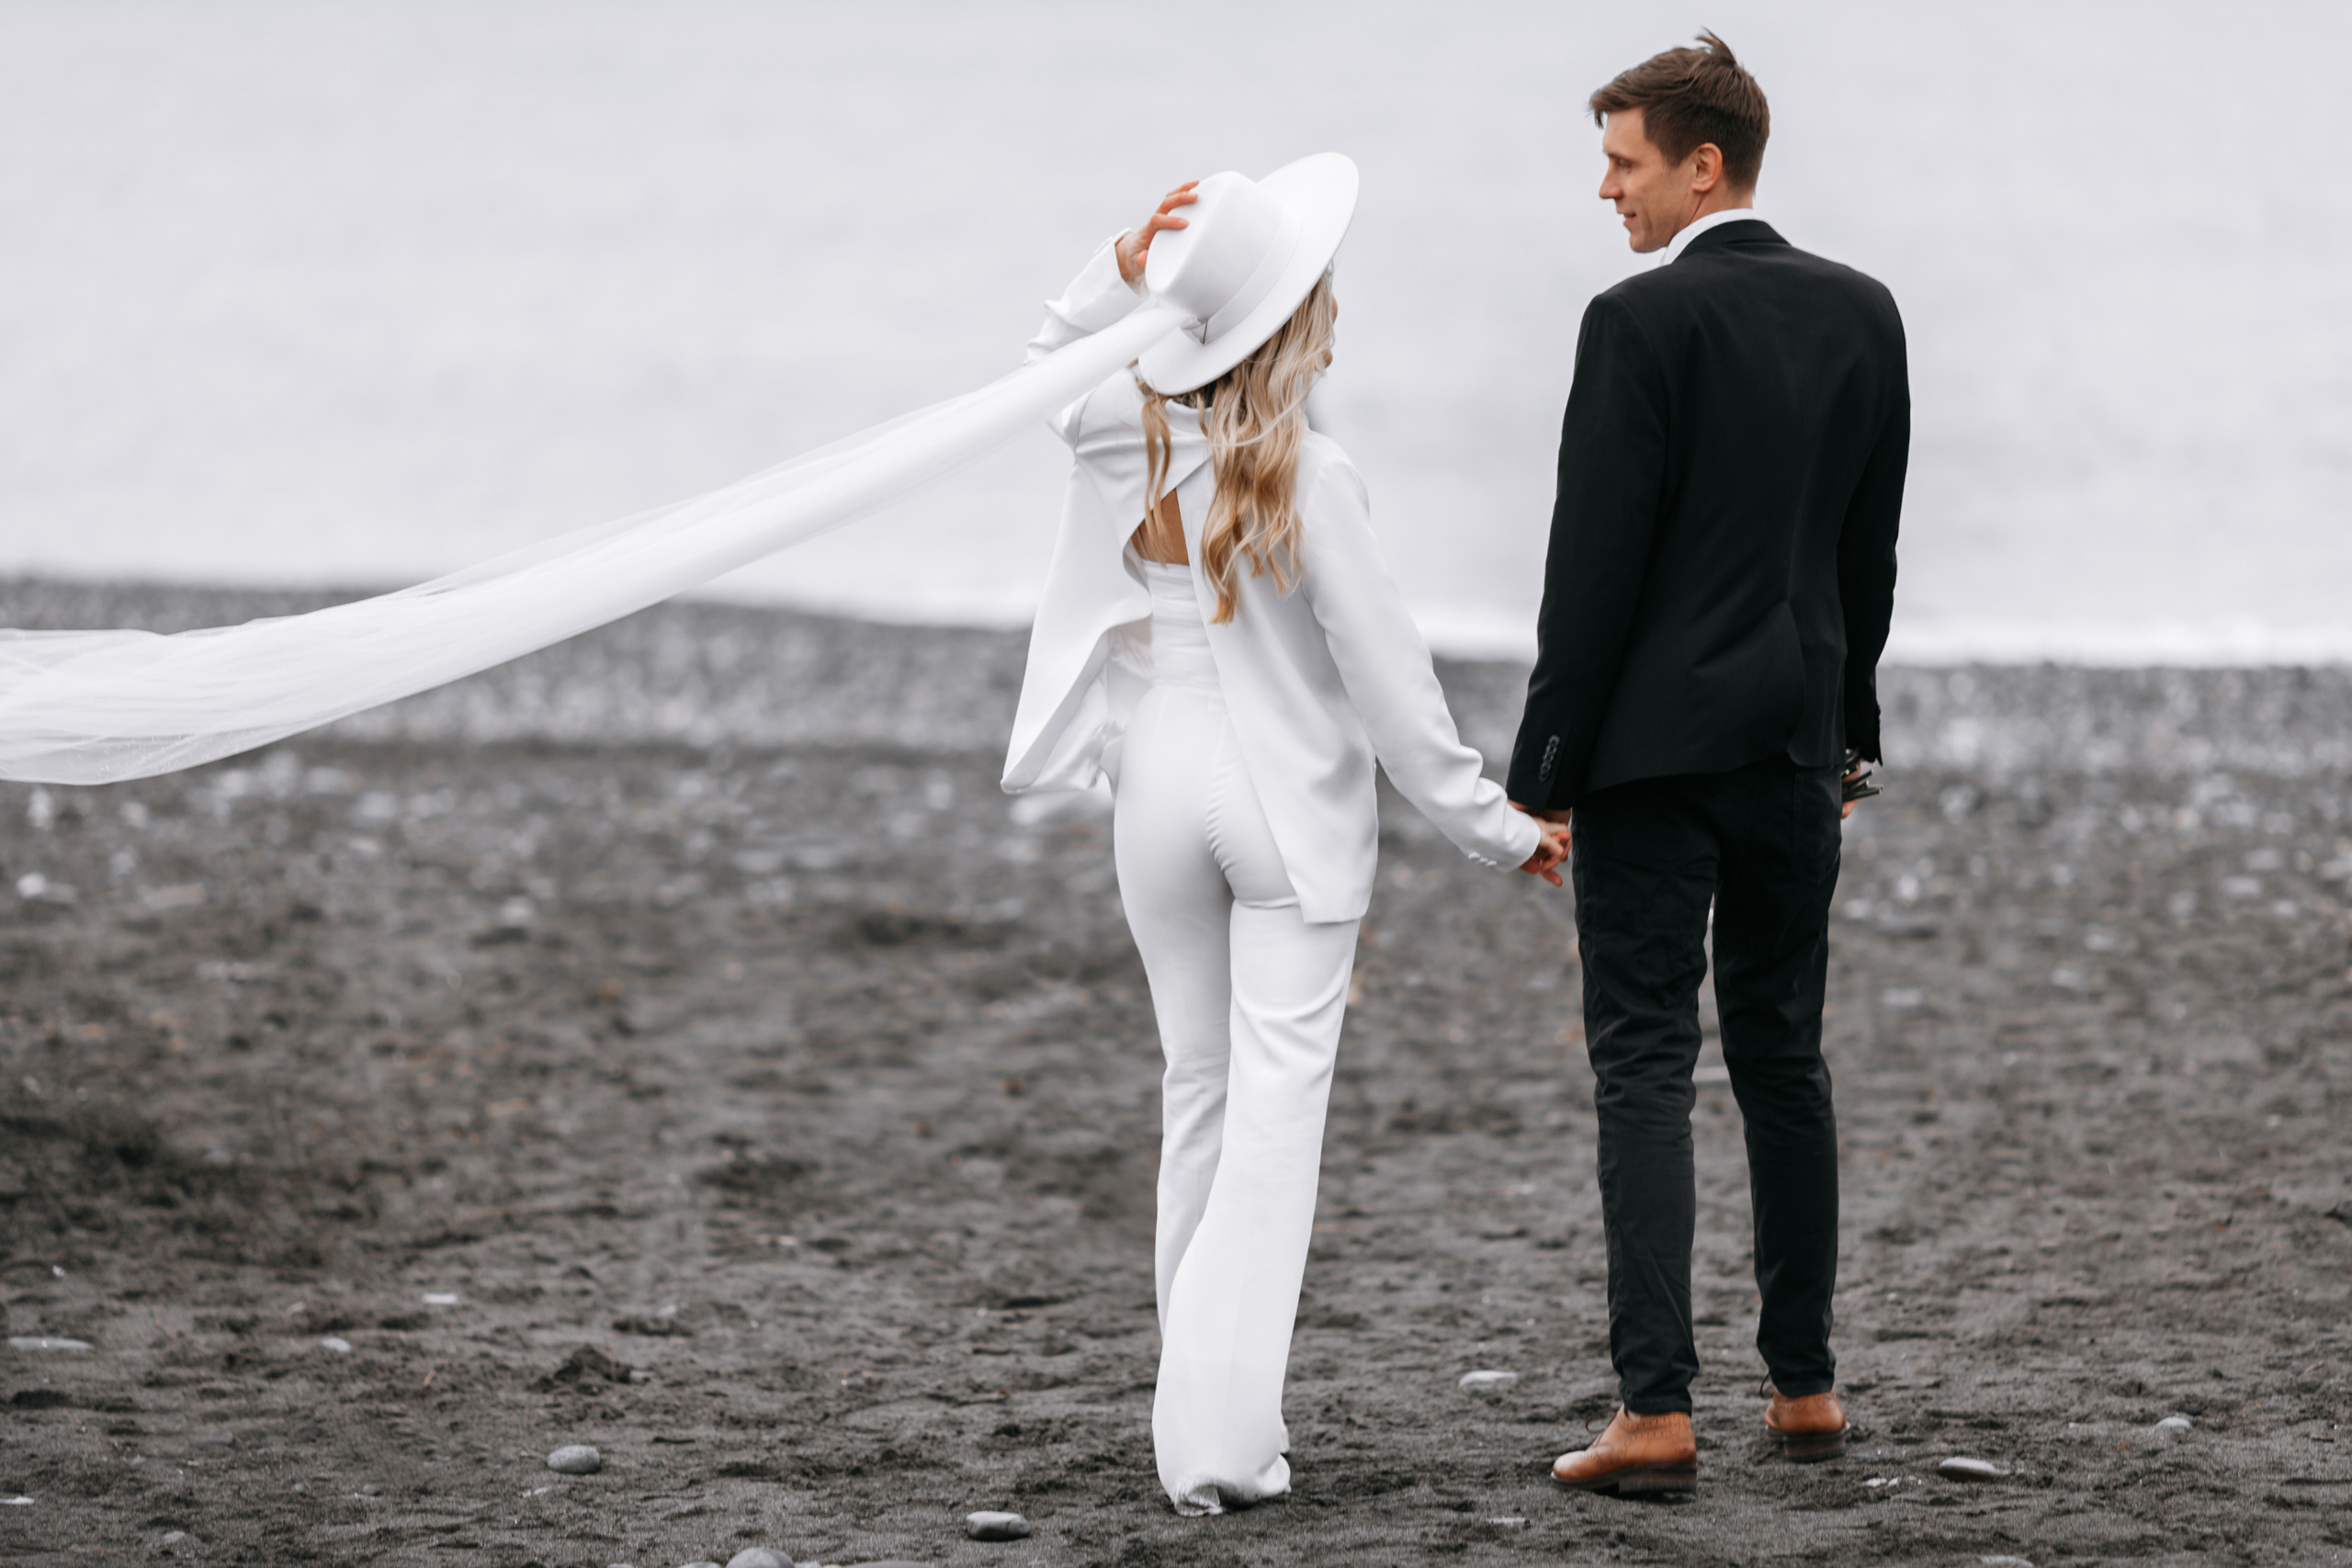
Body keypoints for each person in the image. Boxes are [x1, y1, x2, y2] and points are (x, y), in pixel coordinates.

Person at [1004, 156, 1572, 1516]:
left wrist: (1123, 266)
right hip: (1280, 816)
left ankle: (1190, 1419)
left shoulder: (1120, 430)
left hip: (1156, 789)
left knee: (1195, 1098)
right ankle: (1218, 1443)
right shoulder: (1313, 476)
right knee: (1271, 1125)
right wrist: (1498, 830)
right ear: (1296, 326)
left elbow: (1044, 361)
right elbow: (1392, 693)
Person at [1506, 35, 1907, 1494]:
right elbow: (1866, 558)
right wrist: (1848, 734)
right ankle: (1805, 1390)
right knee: (1785, 1059)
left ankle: (1657, 1412)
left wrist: (1543, 765)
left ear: (1702, 164)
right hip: (1797, 745)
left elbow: (1592, 573)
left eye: (1623, 161)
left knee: (1644, 1066)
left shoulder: (1637, 324)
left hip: (1653, 764)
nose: (1604, 189)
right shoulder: (1868, 315)